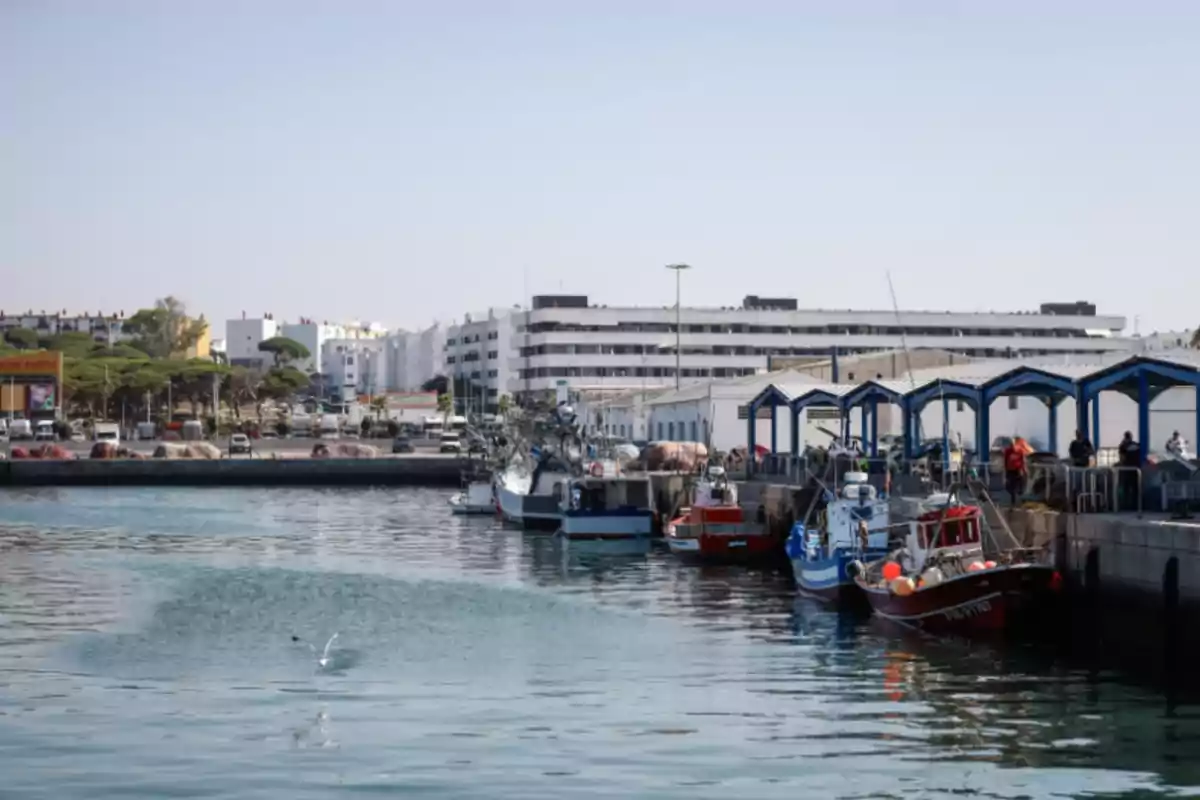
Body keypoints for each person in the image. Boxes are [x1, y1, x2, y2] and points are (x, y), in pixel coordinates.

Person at [1117, 431, 1141, 511]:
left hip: (1126, 469)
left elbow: (1122, 458)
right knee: (1135, 488)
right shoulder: (1136, 445)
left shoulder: (1123, 446)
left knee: (1125, 487)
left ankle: (1125, 505)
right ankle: (1136, 505)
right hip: (1136, 468)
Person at [1002, 437, 1028, 507]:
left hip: (1018, 470)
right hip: (1010, 470)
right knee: (1010, 486)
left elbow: (1023, 461)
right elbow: (1005, 461)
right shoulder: (1008, 451)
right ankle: (1013, 498)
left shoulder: (1020, 451)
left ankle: (1018, 497)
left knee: (1019, 484)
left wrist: (1024, 470)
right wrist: (1005, 470)